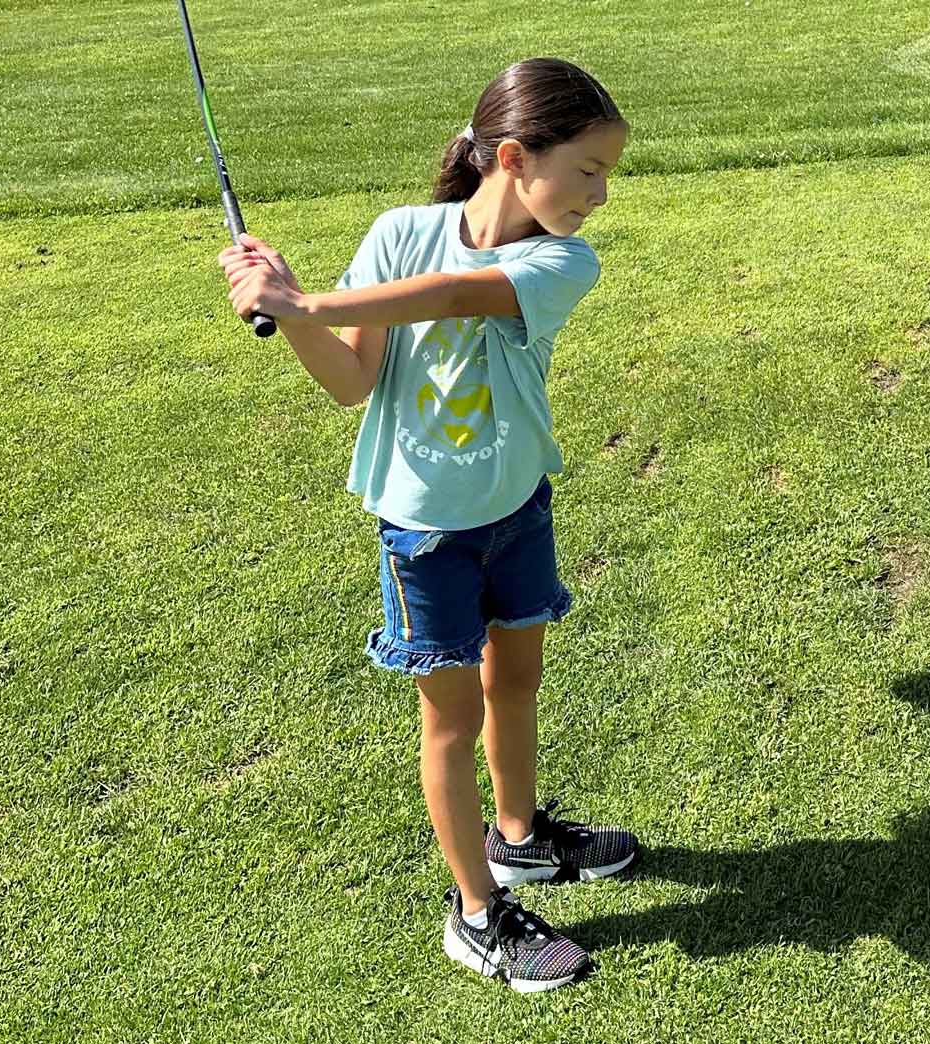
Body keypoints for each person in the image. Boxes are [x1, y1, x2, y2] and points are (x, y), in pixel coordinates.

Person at [217, 57, 634, 993]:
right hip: (425, 533)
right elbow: (351, 381)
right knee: (451, 718)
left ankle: (517, 839)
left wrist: (302, 299)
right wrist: (290, 310)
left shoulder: (562, 259)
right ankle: (477, 913)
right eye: (589, 170)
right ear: (515, 158)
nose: (601, 195)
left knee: (516, 682)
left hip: (517, 508)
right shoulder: (398, 234)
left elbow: (452, 296)